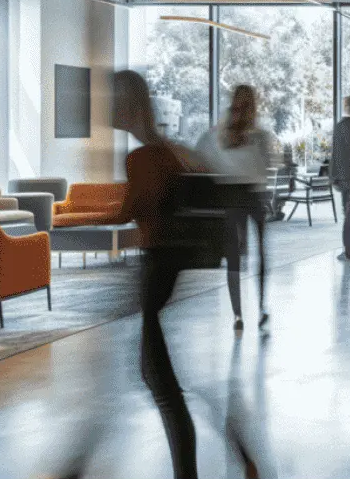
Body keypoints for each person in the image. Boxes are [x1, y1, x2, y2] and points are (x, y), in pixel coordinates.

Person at [100, 70, 201, 480]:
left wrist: (69, 220)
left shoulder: (142, 158)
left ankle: (192, 472)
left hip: (156, 268)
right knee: (155, 375)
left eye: (113, 98)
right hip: (166, 266)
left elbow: (130, 211)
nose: (107, 106)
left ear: (129, 105)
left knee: (162, 382)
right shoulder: (167, 152)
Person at [198, 85, 272, 331]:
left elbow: (203, 157)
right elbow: (266, 164)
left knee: (236, 256)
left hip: (235, 194)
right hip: (250, 194)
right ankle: (256, 308)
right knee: (254, 253)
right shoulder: (256, 135)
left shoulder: (222, 133)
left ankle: (240, 313)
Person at [330, 96, 350, 260]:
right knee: (349, 215)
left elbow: (334, 154)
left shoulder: (339, 127)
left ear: (345, 106)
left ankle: (349, 251)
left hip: (344, 180)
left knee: (347, 215)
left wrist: (333, 177)